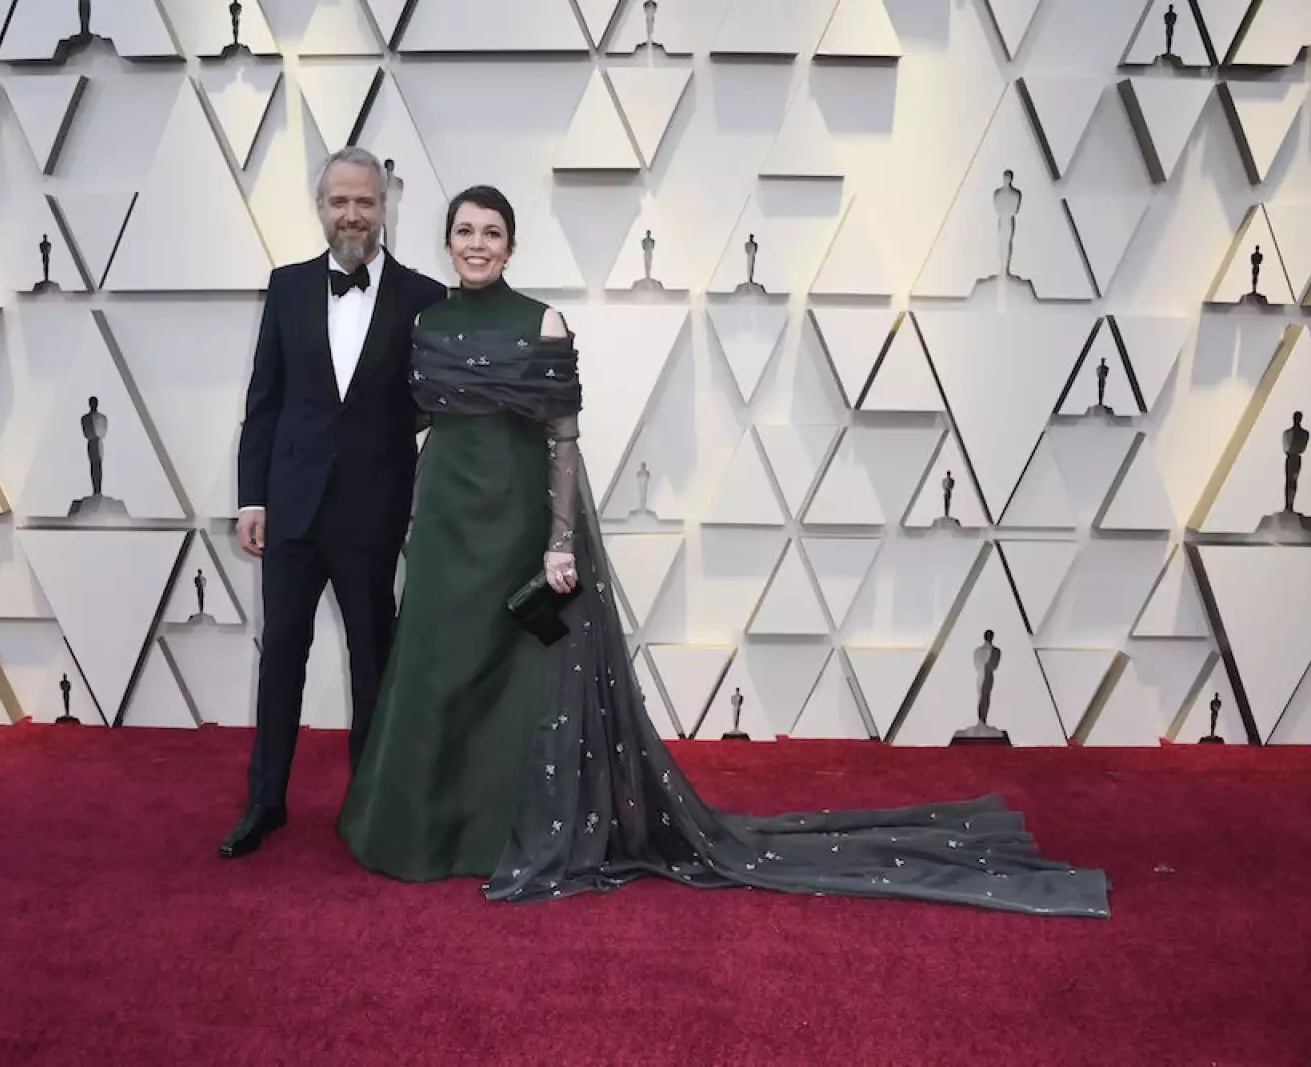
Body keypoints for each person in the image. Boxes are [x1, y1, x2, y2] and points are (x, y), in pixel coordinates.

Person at [338, 185, 1111, 917]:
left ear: (511, 247)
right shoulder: (426, 326)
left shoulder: (544, 323)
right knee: (439, 672)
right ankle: (425, 832)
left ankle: (498, 833)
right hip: (444, 521)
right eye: (465, 232)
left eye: (492, 233)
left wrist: (562, 542)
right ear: (446, 243)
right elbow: (416, 423)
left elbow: (563, 441)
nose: (477, 245)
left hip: (516, 520)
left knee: (516, 684)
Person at [220, 147, 447, 859]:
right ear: (321, 208)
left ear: (386, 209)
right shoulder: (285, 288)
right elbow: (264, 403)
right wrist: (251, 496)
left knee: (373, 660)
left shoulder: (424, 297)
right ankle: (265, 801)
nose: (353, 214)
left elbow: (433, 404)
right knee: (281, 655)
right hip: (290, 506)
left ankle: (370, 804)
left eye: (366, 202)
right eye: (339, 202)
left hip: (374, 510)